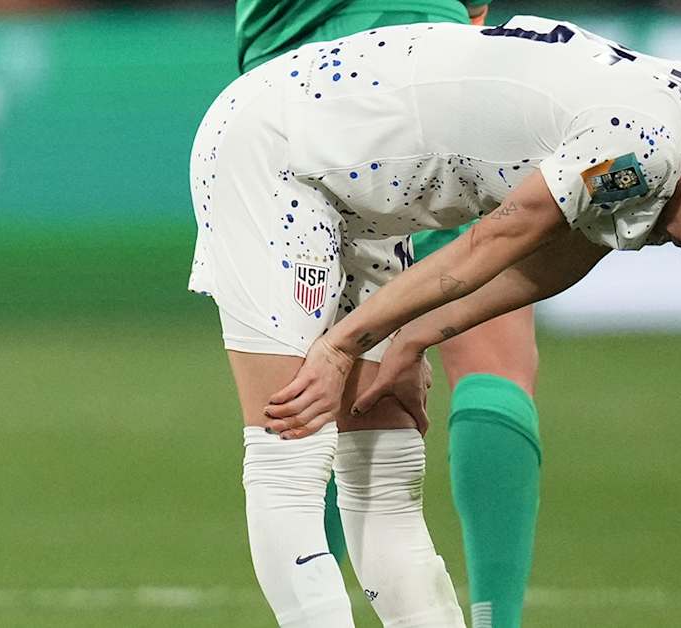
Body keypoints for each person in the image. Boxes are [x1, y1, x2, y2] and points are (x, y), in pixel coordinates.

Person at [189, 14, 681, 627]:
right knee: (291, 452)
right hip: (281, 154)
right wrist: (342, 346)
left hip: (363, 197)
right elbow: (500, 236)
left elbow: (562, 255)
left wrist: (413, 336)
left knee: (387, 472)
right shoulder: (642, 148)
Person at [234, 3, 546, 627]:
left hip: (293, 76)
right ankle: (498, 620)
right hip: (433, 68)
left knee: (302, 401)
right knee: (491, 361)